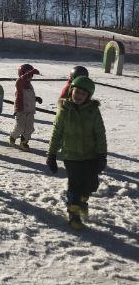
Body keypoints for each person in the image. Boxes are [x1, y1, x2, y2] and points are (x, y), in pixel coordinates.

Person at [46, 76, 107, 230]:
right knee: (75, 184)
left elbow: (100, 133)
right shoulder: (64, 110)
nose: (78, 96)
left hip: (90, 155)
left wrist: (102, 155)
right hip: (71, 155)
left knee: (91, 184)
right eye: (76, 92)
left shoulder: (93, 111)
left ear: (88, 96)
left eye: (83, 94)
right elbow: (56, 134)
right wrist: (51, 154)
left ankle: (82, 201)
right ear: (71, 91)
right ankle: (74, 213)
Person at [9, 63, 42, 151]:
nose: (30, 76)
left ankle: (24, 142)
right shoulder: (19, 83)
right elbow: (21, 79)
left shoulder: (29, 85)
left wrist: (36, 98)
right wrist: (30, 72)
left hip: (30, 110)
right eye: (28, 74)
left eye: (31, 75)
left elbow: (29, 96)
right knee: (20, 127)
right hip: (21, 109)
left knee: (29, 128)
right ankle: (13, 136)